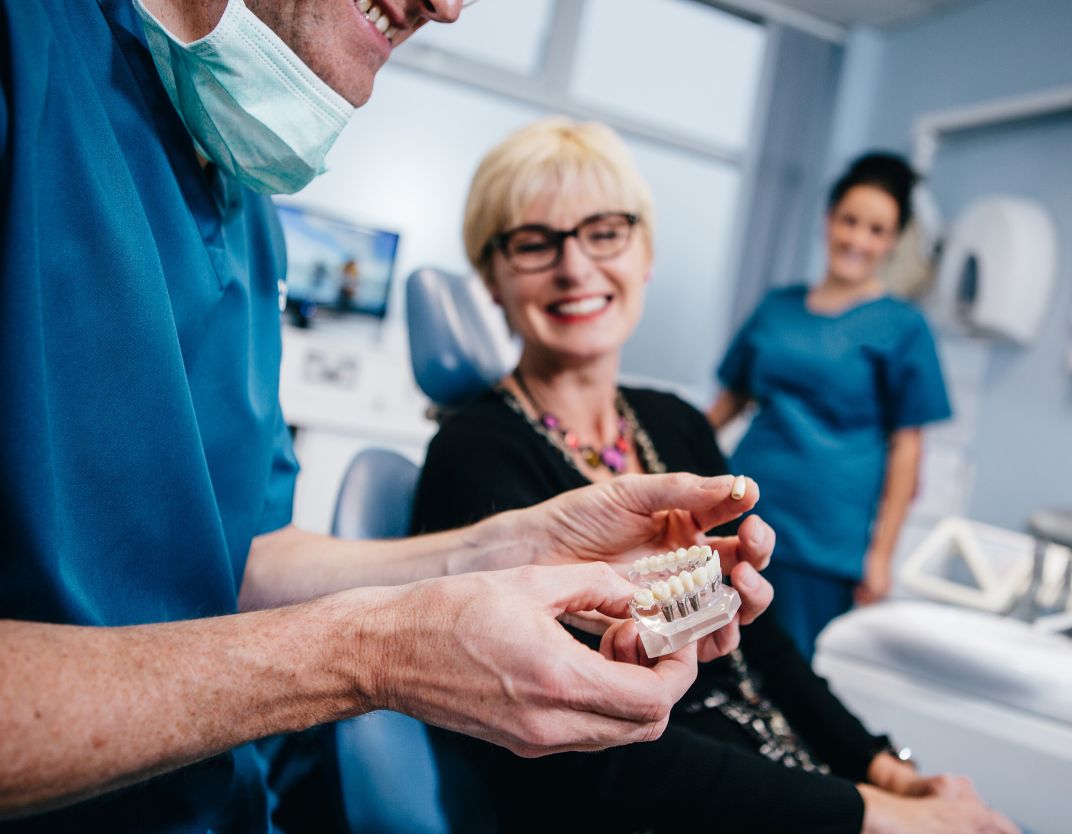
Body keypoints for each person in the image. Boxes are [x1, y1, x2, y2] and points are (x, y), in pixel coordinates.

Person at [0, 2, 773, 831]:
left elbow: (242, 558)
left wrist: (507, 547)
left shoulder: (247, 206)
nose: (448, 8)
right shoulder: (31, 59)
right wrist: (370, 652)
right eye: (536, 243)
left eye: (607, 232)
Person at [411, 117, 1017, 834]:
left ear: (646, 256)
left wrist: (889, 772)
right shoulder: (476, 454)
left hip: (774, 779)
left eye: (605, 232)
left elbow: (765, 648)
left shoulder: (674, 427)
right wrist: (867, 814)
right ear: (491, 276)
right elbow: (581, 749)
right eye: (535, 243)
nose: (575, 268)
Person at [708, 152, 952, 660]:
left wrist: (880, 556)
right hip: (740, 517)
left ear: (892, 241)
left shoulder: (902, 327)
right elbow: (729, 402)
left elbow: (907, 450)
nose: (858, 240)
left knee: (787, 679)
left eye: (876, 230)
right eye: (850, 221)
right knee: (707, 656)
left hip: (823, 543)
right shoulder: (778, 307)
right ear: (829, 220)